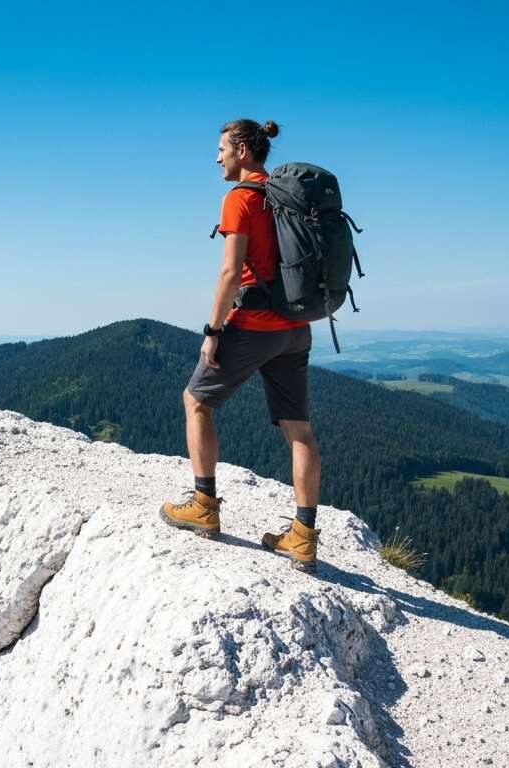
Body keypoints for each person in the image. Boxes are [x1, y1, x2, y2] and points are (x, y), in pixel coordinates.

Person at [158, 118, 323, 573]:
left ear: (244, 150)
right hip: (296, 325)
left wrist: (212, 332)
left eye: (222, 149)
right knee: (299, 430)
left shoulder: (241, 199)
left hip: (253, 324)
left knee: (195, 401)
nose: (217, 158)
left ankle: (203, 505)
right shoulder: (286, 197)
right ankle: (303, 536)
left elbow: (231, 273)